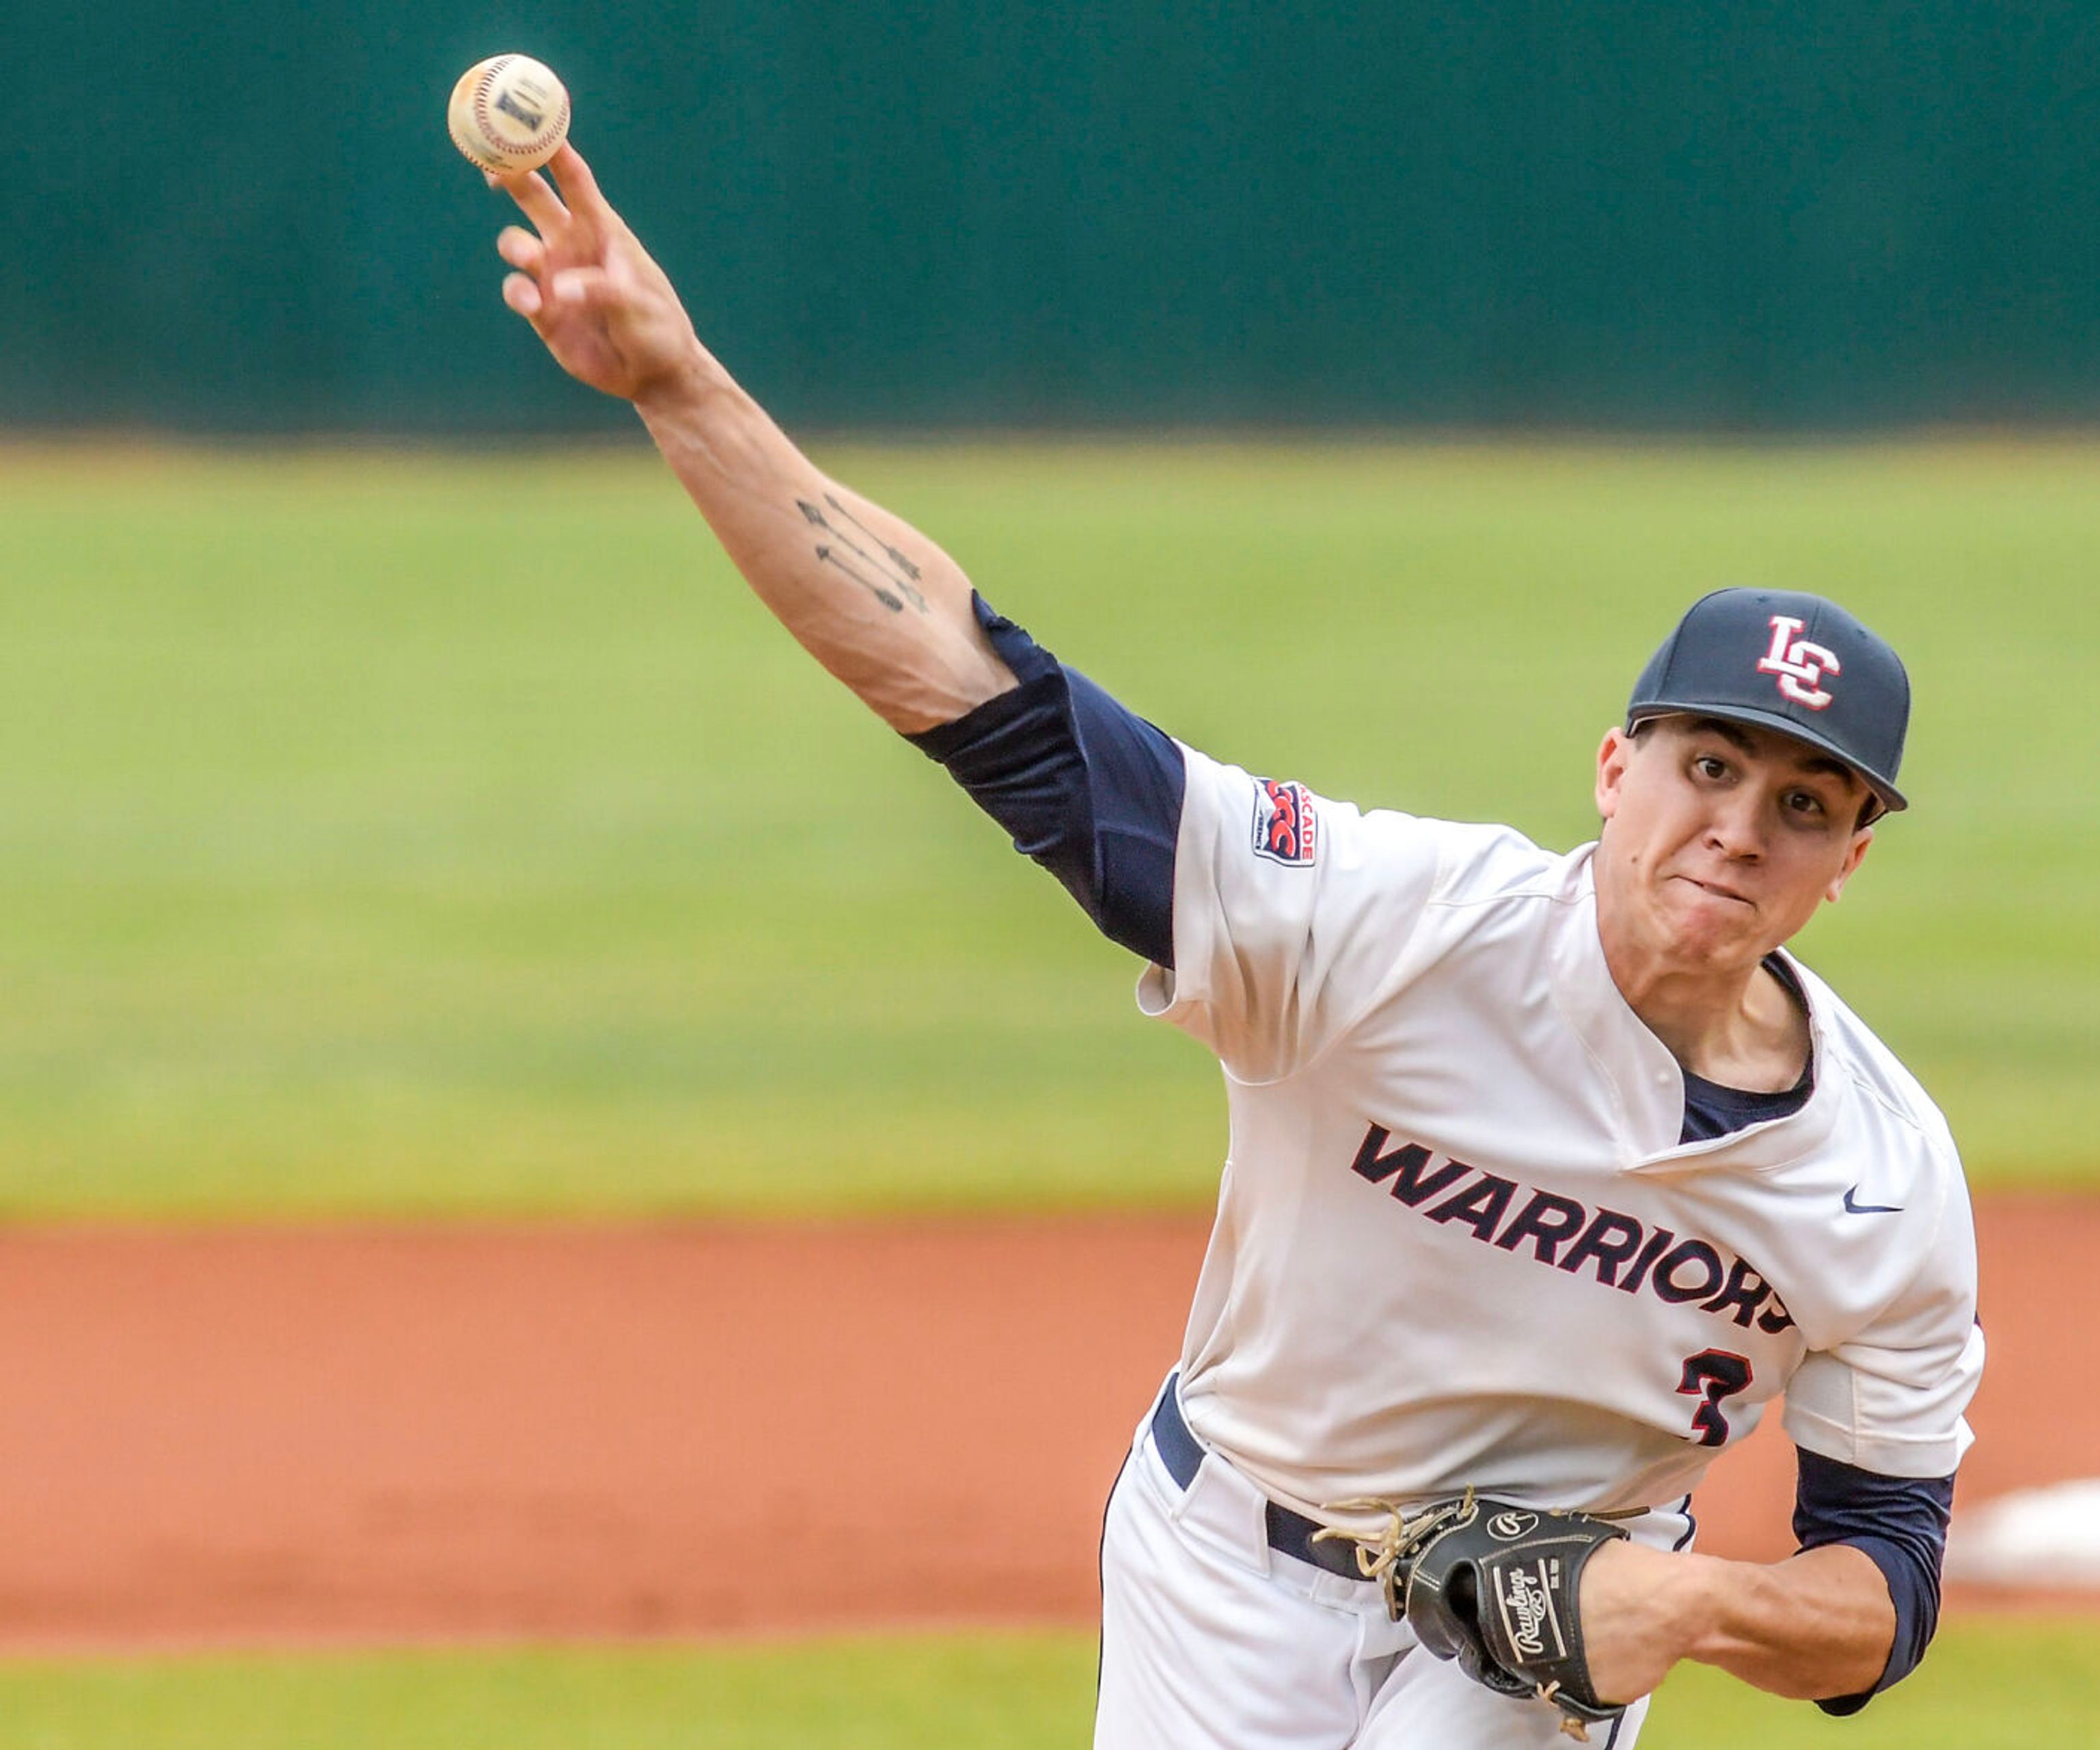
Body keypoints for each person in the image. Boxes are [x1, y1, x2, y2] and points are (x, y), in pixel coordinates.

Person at [480, 146, 1981, 1747]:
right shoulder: (1388, 926)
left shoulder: (1881, 1177)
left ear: (1850, 863)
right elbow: (985, 699)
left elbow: (1883, 1590)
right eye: (1710, 767)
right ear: (1614, 772)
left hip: (1527, 1654)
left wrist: (1689, 1604)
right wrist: (681, 383)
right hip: (1225, 1572)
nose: (1743, 829)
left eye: (1807, 805)